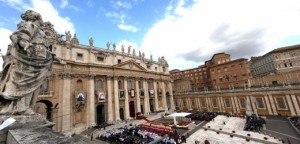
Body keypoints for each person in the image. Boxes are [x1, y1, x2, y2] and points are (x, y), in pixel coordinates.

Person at [0, 10, 65, 114]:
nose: (43, 21)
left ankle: (25, 107)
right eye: (41, 19)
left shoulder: (39, 31)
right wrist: (25, 44)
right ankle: (19, 107)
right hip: (30, 59)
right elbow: (20, 37)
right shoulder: (31, 25)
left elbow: (44, 49)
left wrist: (55, 57)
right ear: (37, 19)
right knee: (25, 84)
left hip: (38, 61)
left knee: (32, 85)